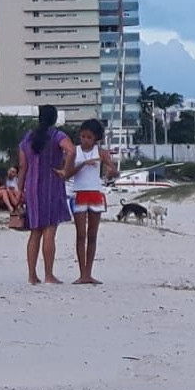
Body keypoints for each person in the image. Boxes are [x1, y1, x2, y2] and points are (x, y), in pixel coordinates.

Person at [17, 105, 75, 285]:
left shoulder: (27, 138)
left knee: (35, 231)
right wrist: (65, 170)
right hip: (51, 186)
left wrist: (20, 189)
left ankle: (32, 275)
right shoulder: (58, 136)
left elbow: (23, 167)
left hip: (32, 187)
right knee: (50, 230)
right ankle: (49, 274)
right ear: (54, 118)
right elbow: (72, 150)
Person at [60, 119, 117, 285]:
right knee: (81, 235)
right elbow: (67, 174)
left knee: (92, 235)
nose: (85, 140)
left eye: (89, 137)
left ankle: (89, 273)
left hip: (95, 194)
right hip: (79, 194)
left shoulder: (101, 153)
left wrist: (111, 172)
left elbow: (113, 171)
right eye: (83, 136)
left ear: (96, 138)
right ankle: (82, 273)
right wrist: (83, 164)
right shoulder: (74, 152)